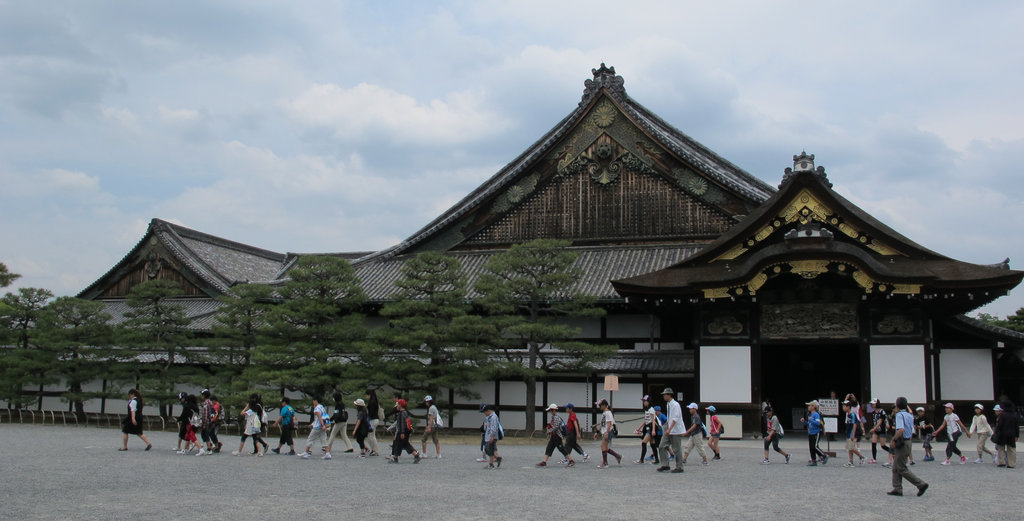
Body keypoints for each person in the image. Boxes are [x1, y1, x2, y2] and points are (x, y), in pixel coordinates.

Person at [887, 396, 929, 497]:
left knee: (901, 467)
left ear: (897, 405)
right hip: (908, 441)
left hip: (902, 442)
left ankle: (921, 484)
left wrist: (893, 440)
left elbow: (900, 430)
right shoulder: (910, 415)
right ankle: (897, 488)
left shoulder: (899, 415)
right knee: (896, 466)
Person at [656, 388, 686, 473]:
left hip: (675, 430)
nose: (664, 396)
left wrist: (669, 428)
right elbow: (670, 417)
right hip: (669, 428)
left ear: (669, 395)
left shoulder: (675, 405)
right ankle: (665, 464)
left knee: (676, 448)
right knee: (662, 446)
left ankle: (679, 466)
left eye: (665, 395)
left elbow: (675, 418)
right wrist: (666, 424)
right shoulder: (668, 404)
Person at [298, 395, 332, 460]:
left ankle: (306, 452)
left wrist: (322, 425)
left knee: (310, 438)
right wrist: (323, 425)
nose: (313, 402)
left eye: (313, 401)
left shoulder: (316, 408)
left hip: (317, 427)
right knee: (323, 439)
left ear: (316, 401)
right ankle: (327, 453)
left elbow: (319, 417)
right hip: (322, 427)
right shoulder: (322, 407)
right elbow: (322, 417)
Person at [389, 399, 422, 463]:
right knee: (405, 444)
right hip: (406, 431)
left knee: (397, 444)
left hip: (402, 431)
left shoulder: (401, 414)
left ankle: (395, 458)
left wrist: (402, 432)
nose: (397, 406)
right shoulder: (405, 412)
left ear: (400, 405)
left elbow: (402, 424)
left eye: (398, 404)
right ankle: (416, 455)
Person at [593, 399, 622, 468]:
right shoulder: (604, 413)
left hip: (608, 431)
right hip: (605, 431)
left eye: (600, 405)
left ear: (604, 405)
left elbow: (609, 424)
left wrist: (607, 432)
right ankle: (617, 456)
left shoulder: (608, 413)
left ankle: (605, 463)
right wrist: (597, 432)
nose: (599, 406)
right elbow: (602, 423)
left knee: (603, 446)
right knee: (605, 447)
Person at [681, 402, 709, 466]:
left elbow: (694, 426)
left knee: (699, 447)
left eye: (691, 409)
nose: (689, 410)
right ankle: (684, 458)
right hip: (693, 434)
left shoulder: (697, 417)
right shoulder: (692, 416)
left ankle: (705, 460)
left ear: (694, 409)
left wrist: (686, 432)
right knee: (688, 446)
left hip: (697, 434)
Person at [992, 400, 1018, 468]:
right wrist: (1017, 435)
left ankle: (1001, 462)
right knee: (1011, 449)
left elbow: (999, 425)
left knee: (1001, 448)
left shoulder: (1003, 415)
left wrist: (996, 432)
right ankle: (1011, 464)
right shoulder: (1014, 414)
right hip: (1012, 434)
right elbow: (1016, 426)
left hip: (1002, 434)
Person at [801, 400, 827, 466]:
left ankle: (824, 455)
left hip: (816, 432)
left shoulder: (816, 414)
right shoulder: (810, 414)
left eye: (810, 405)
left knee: (815, 446)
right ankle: (813, 460)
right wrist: (805, 422)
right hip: (811, 432)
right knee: (811, 447)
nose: (808, 407)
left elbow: (818, 423)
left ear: (813, 407)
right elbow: (809, 424)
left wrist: (811, 420)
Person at [842, 400, 865, 467]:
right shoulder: (848, 415)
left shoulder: (852, 414)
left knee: (851, 447)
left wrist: (853, 434)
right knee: (850, 448)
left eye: (844, 406)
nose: (843, 408)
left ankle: (861, 457)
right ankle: (851, 461)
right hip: (848, 432)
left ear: (848, 407)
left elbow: (854, 424)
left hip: (852, 433)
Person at [634, 396, 657, 464]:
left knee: (644, 442)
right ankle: (657, 459)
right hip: (647, 426)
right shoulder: (647, 410)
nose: (644, 402)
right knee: (652, 444)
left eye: (645, 401)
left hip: (650, 427)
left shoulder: (651, 409)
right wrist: (639, 428)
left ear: (648, 402)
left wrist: (653, 430)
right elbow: (645, 420)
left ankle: (641, 459)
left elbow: (653, 420)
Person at [868, 398, 889, 464]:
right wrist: (874, 428)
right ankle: (874, 458)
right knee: (873, 444)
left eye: (873, 403)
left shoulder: (882, 411)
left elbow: (880, 421)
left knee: (883, 446)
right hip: (876, 430)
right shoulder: (873, 412)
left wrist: (874, 428)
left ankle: (893, 452)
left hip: (882, 429)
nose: (872, 405)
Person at [481, 403, 502, 469]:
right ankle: (496, 460)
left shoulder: (493, 417)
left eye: (485, 412)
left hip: (492, 436)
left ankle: (492, 464)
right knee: (490, 449)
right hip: (489, 436)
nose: (485, 413)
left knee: (488, 449)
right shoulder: (490, 417)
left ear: (488, 410)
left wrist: (492, 436)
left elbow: (494, 427)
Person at [197, 389, 216, 456]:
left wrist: (204, 424)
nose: (201, 396)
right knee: (205, 434)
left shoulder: (205, 403)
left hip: (206, 422)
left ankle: (209, 448)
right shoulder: (210, 402)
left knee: (205, 435)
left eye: (202, 395)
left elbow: (205, 415)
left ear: (204, 396)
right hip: (210, 421)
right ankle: (211, 445)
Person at [364, 389, 381, 456]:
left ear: (369, 395)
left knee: (371, 436)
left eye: (366, 395)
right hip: (375, 419)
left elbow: (370, 413)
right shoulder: (375, 401)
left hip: (372, 420)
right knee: (372, 436)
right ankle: (374, 450)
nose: (366, 397)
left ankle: (375, 450)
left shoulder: (372, 402)